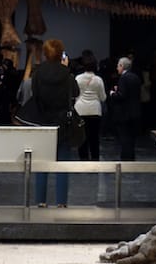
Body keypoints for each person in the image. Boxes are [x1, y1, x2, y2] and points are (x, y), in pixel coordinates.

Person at [26, 38, 78, 207]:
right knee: (62, 165)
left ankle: (41, 201)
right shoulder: (67, 74)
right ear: (61, 54)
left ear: (45, 53)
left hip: (42, 122)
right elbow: (75, 93)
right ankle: (61, 202)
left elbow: (34, 94)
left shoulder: (38, 73)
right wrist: (65, 68)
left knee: (42, 164)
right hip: (63, 124)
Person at [109, 55, 144, 161]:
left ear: (122, 66)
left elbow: (122, 96)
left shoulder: (123, 78)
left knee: (124, 138)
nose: (117, 68)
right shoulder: (136, 77)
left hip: (124, 114)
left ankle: (125, 159)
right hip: (135, 112)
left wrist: (113, 93)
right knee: (132, 138)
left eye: (118, 66)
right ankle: (131, 158)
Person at [74, 50, 106, 161]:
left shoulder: (78, 78)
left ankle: (83, 160)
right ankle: (95, 160)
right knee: (94, 138)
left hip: (80, 110)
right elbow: (103, 97)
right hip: (94, 111)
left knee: (82, 138)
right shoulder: (98, 80)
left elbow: (75, 93)